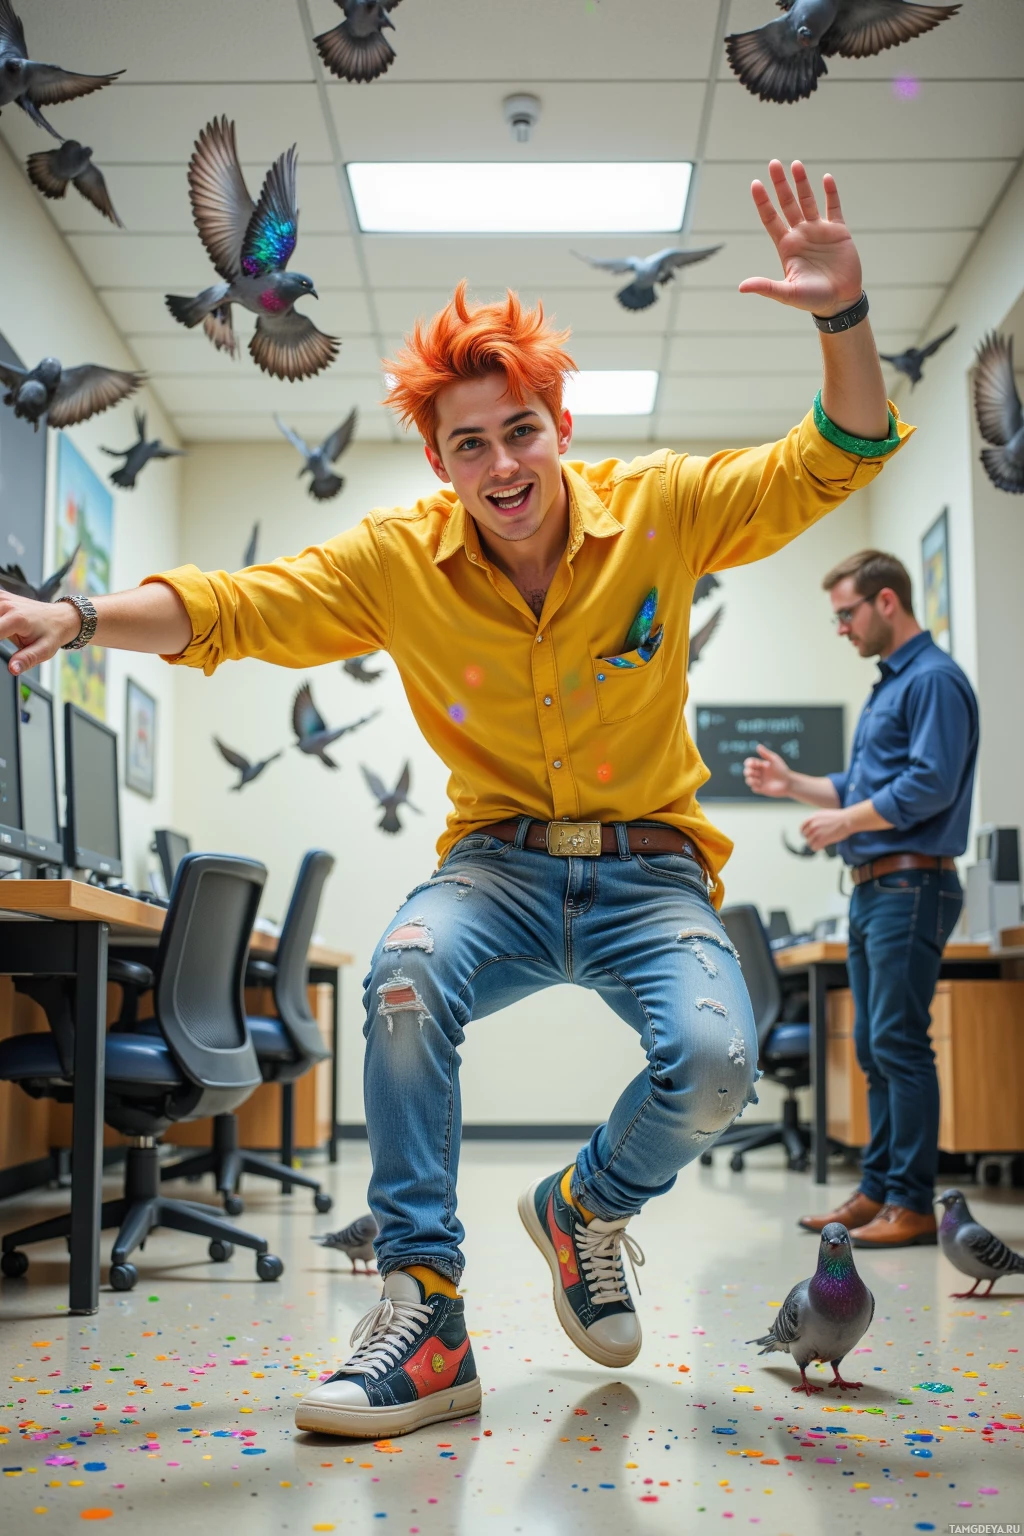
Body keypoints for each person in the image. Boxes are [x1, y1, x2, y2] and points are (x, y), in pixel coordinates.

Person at [1, 161, 910, 1439]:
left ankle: (584, 1208)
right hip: (493, 868)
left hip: (652, 875)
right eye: (468, 443)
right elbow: (232, 607)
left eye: (519, 431)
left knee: (714, 1065)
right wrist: (80, 612)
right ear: (438, 458)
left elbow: (840, 455)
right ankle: (426, 1309)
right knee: (402, 979)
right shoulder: (393, 561)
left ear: (559, 427)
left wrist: (842, 318)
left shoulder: (659, 511)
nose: (500, 465)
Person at [744, 550, 978, 1249]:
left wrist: (845, 823)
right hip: (879, 887)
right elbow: (859, 785)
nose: (842, 627)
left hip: (912, 882)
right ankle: (877, 1191)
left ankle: (911, 1203)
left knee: (900, 1045)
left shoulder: (933, 680)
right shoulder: (890, 687)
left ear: (885, 602)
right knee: (878, 1048)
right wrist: (795, 785)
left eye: (847, 613)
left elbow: (930, 785)